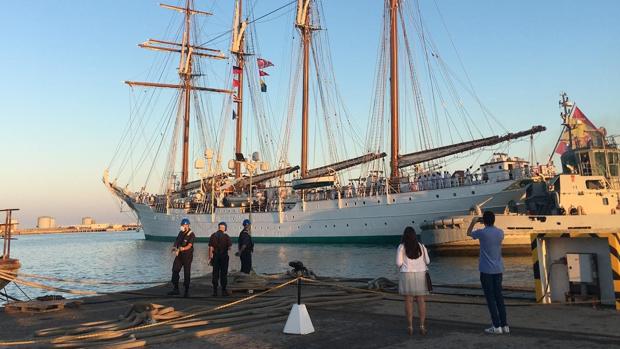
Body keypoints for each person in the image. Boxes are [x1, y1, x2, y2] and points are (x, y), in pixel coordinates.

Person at [468, 211, 509, 334]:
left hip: (486, 270)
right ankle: (505, 325)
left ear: (484, 221)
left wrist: (474, 221)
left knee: (490, 298)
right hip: (498, 269)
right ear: (494, 220)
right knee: (499, 297)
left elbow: (468, 233)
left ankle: (496, 326)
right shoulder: (500, 233)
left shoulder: (482, 233)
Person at [396, 227, 430, 336]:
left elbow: (398, 263)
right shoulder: (421, 246)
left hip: (407, 275)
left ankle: (410, 326)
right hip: (421, 275)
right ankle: (422, 326)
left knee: (408, 301)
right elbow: (428, 261)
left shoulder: (401, 247)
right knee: (421, 301)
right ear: (415, 235)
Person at [168, 218, 195, 297]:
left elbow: (189, 245)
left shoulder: (191, 234)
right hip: (179, 255)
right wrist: (174, 247)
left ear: (187, 225)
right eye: (182, 225)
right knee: (175, 270)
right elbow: (176, 241)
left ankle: (186, 291)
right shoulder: (180, 233)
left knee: (187, 272)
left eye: (184, 225)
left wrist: (183, 248)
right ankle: (175, 288)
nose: (182, 226)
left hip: (187, 256)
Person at [209, 222, 232, 296]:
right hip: (224, 257)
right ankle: (223, 290)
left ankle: (215, 291)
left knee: (215, 273)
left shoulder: (213, 236)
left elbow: (210, 248)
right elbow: (229, 248)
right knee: (223, 274)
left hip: (215, 257)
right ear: (224, 228)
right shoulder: (226, 236)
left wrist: (210, 258)